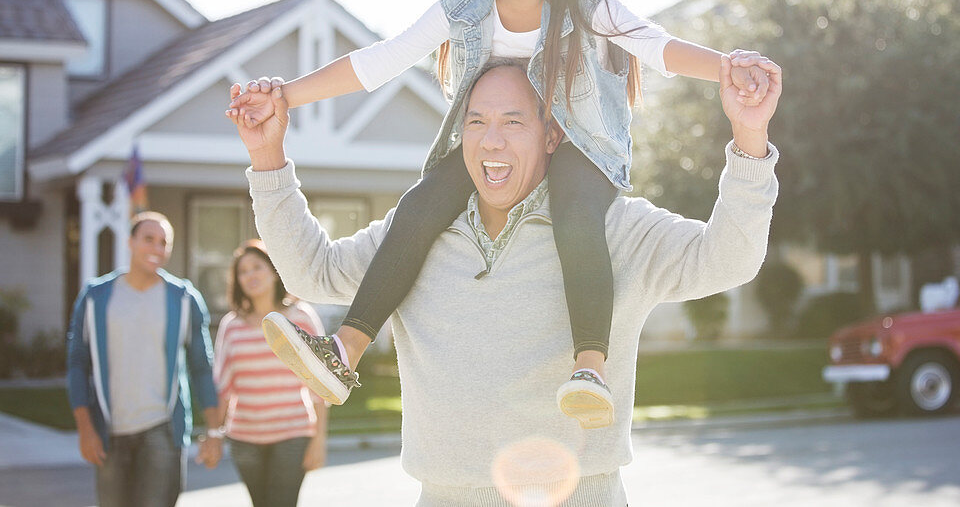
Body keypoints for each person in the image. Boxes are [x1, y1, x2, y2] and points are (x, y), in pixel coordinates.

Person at [228, 0, 770, 429]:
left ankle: (589, 368)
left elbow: (658, 47)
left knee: (577, 215)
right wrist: (283, 97)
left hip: (579, 142)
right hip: (498, 143)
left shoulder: (587, 3)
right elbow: (380, 61)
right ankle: (343, 350)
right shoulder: (466, 6)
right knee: (418, 208)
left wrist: (729, 68)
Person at [232, 53, 781, 505]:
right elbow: (314, 271)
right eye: (477, 121)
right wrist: (267, 156)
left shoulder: (612, 228)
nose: (491, 141)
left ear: (551, 135)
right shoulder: (415, 236)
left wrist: (749, 136)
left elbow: (729, 258)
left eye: (513, 121)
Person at [66, 211, 222, 507]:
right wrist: (86, 429)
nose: (156, 249)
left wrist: (214, 431)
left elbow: (202, 368)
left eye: (164, 242)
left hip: (161, 432)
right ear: (130, 241)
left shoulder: (184, 298)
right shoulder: (94, 298)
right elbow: (77, 364)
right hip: (110, 430)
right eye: (148, 239)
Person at [213, 239, 329, 507]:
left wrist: (319, 440)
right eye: (243, 271)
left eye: (257, 267)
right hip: (244, 438)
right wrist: (215, 434)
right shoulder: (231, 326)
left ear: (274, 271)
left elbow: (320, 383)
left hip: (293, 433)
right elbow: (223, 386)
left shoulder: (300, 318)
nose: (250, 275)